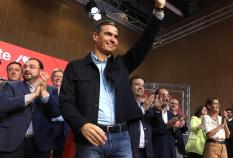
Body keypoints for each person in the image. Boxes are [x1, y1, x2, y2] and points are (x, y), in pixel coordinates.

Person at [59, 0, 166, 157]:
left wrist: (157, 11)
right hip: (91, 138)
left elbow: (144, 43)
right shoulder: (76, 67)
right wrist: (82, 125)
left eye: (116, 36)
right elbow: (66, 102)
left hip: (121, 138)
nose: (113, 39)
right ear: (95, 36)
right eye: (108, 34)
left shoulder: (121, 64)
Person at [0, 58, 60, 158]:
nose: (27, 69)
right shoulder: (11, 86)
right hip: (11, 142)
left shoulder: (52, 90)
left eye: (32, 67)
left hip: (39, 145)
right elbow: (2, 105)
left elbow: (56, 113)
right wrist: (32, 96)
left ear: (41, 71)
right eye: (25, 67)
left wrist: (44, 94)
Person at [129, 75, 161, 158]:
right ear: (130, 87)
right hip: (130, 151)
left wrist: (157, 110)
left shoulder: (146, 105)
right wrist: (144, 108)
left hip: (147, 152)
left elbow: (158, 126)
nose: (141, 87)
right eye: (137, 84)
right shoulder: (125, 104)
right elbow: (128, 120)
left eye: (143, 85)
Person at [152, 88, 185, 158]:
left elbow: (176, 135)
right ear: (156, 97)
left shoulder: (172, 115)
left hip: (170, 151)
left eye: (168, 96)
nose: (166, 98)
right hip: (157, 151)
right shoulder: (151, 112)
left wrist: (175, 128)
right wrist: (167, 125)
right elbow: (152, 131)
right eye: (163, 95)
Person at [51, 68, 68, 158]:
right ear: (51, 79)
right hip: (49, 129)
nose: (58, 78)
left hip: (65, 130)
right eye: (55, 76)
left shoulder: (69, 94)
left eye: (60, 76)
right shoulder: (46, 91)